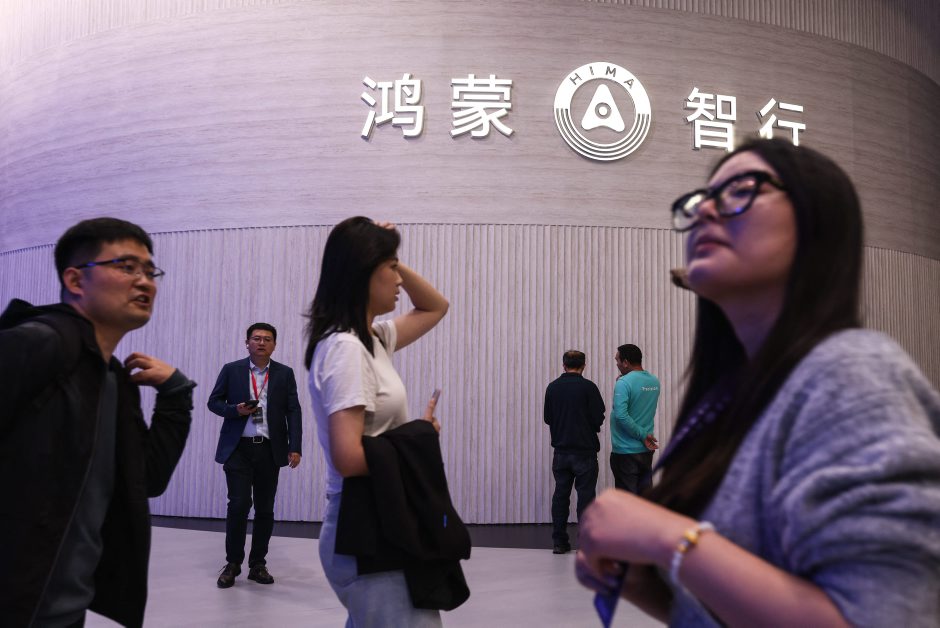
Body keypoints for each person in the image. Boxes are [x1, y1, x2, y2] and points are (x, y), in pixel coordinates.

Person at [576, 138, 940, 626]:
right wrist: (651, 589)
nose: (705, 210)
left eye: (741, 189)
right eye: (701, 199)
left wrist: (669, 538)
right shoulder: (738, 392)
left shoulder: (851, 372)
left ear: (817, 223)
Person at [0, 217, 195, 628]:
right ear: (75, 280)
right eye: (126, 266)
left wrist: (176, 394)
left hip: (62, 608)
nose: (144, 281)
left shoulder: (114, 379)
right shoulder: (36, 344)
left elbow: (146, 479)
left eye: (150, 271)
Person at [305, 217, 451, 627]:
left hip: (381, 513)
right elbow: (348, 457)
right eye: (390, 267)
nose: (399, 279)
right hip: (364, 522)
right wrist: (419, 437)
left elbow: (436, 306)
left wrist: (388, 251)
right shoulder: (346, 349)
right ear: (363, 272)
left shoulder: (373, 339)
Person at [207, 323, 303, 588]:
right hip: (238, 448)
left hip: (269, 449)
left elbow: (293, 411)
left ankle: (258, 564)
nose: (261, 343)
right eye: (256, 338)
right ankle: (233, 563)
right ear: (247, 343)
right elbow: (213, 402)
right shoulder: (232, 369)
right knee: (238, 505)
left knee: (265, 508)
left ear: (275, 345)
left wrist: (295, 446)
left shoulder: (284, 373)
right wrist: (235, 410)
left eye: (267, 339)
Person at [543, 350, 606, 554]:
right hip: (585, 451)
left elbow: (548, 418)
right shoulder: (589, 388)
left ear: (564, 365)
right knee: (586, 497)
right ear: (584, 365)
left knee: (561, 495)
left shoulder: (553, 387)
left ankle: (559, 542)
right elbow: (599, 416)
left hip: (561, 451)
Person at [609, 344, 660, 494]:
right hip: (646, 449)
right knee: (644, 497)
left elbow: (621, 415)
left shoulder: (624, 383)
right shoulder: (654, 381)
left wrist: (642, 435)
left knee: (627, 501)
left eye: (617, 360)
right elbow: (639, 405)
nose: (617, 364)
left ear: (625, 362)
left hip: (625, 450)